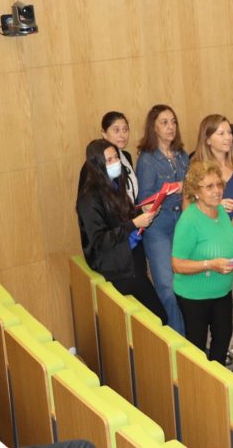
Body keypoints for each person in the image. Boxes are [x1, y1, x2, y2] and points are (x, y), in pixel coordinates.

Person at [76, 139, 167, 323]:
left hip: (132, 262)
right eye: (109, 160)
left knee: (158, 319)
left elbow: (123, 217)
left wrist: (142, 211)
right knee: (153, 320)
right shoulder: (89, 198)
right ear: (97, 165)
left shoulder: (116, 185)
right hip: (116, 269)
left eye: (116, 157)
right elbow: (100, 240)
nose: (115, 162)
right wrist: (134, 223)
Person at [192, 115, 233, 370]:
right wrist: (215, 205)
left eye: (229, 132)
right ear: (208, 139)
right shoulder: (197, 169)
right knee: (212, 299)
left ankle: (228, 344)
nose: (228, 137)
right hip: (209, 245)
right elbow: (189, 210)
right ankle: (214, 345)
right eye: (221, 133)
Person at [171, 161, 233, 364]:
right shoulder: (189, 220)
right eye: (209, 186)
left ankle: (216, 379)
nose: (217, 190)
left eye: (219, 184)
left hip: (222, 291)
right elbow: (177, 265)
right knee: (197, 347)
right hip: (195, 295)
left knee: (222, 339)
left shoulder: (220, 211)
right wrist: (210, 264)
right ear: (196, 191)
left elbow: (226, 242)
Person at [136, 104, 189, 334]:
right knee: (167, 285)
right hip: (159, 224)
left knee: (185, 281)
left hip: (184, 220)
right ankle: (178, 339)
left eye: (173, 122)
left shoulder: (182, 155)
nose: (170, 127)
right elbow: (144, 199)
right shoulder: (147, 159)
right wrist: (173, 188)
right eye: (164, 122)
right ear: (154, 128)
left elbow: (192, 187)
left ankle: (192, 336)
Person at [78, 111, 139, 201]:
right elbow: (85, 201)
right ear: (104, 133)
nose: (122, 135)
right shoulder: (93, 163)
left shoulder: (126, 156)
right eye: (116, 130)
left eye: (125, 130)